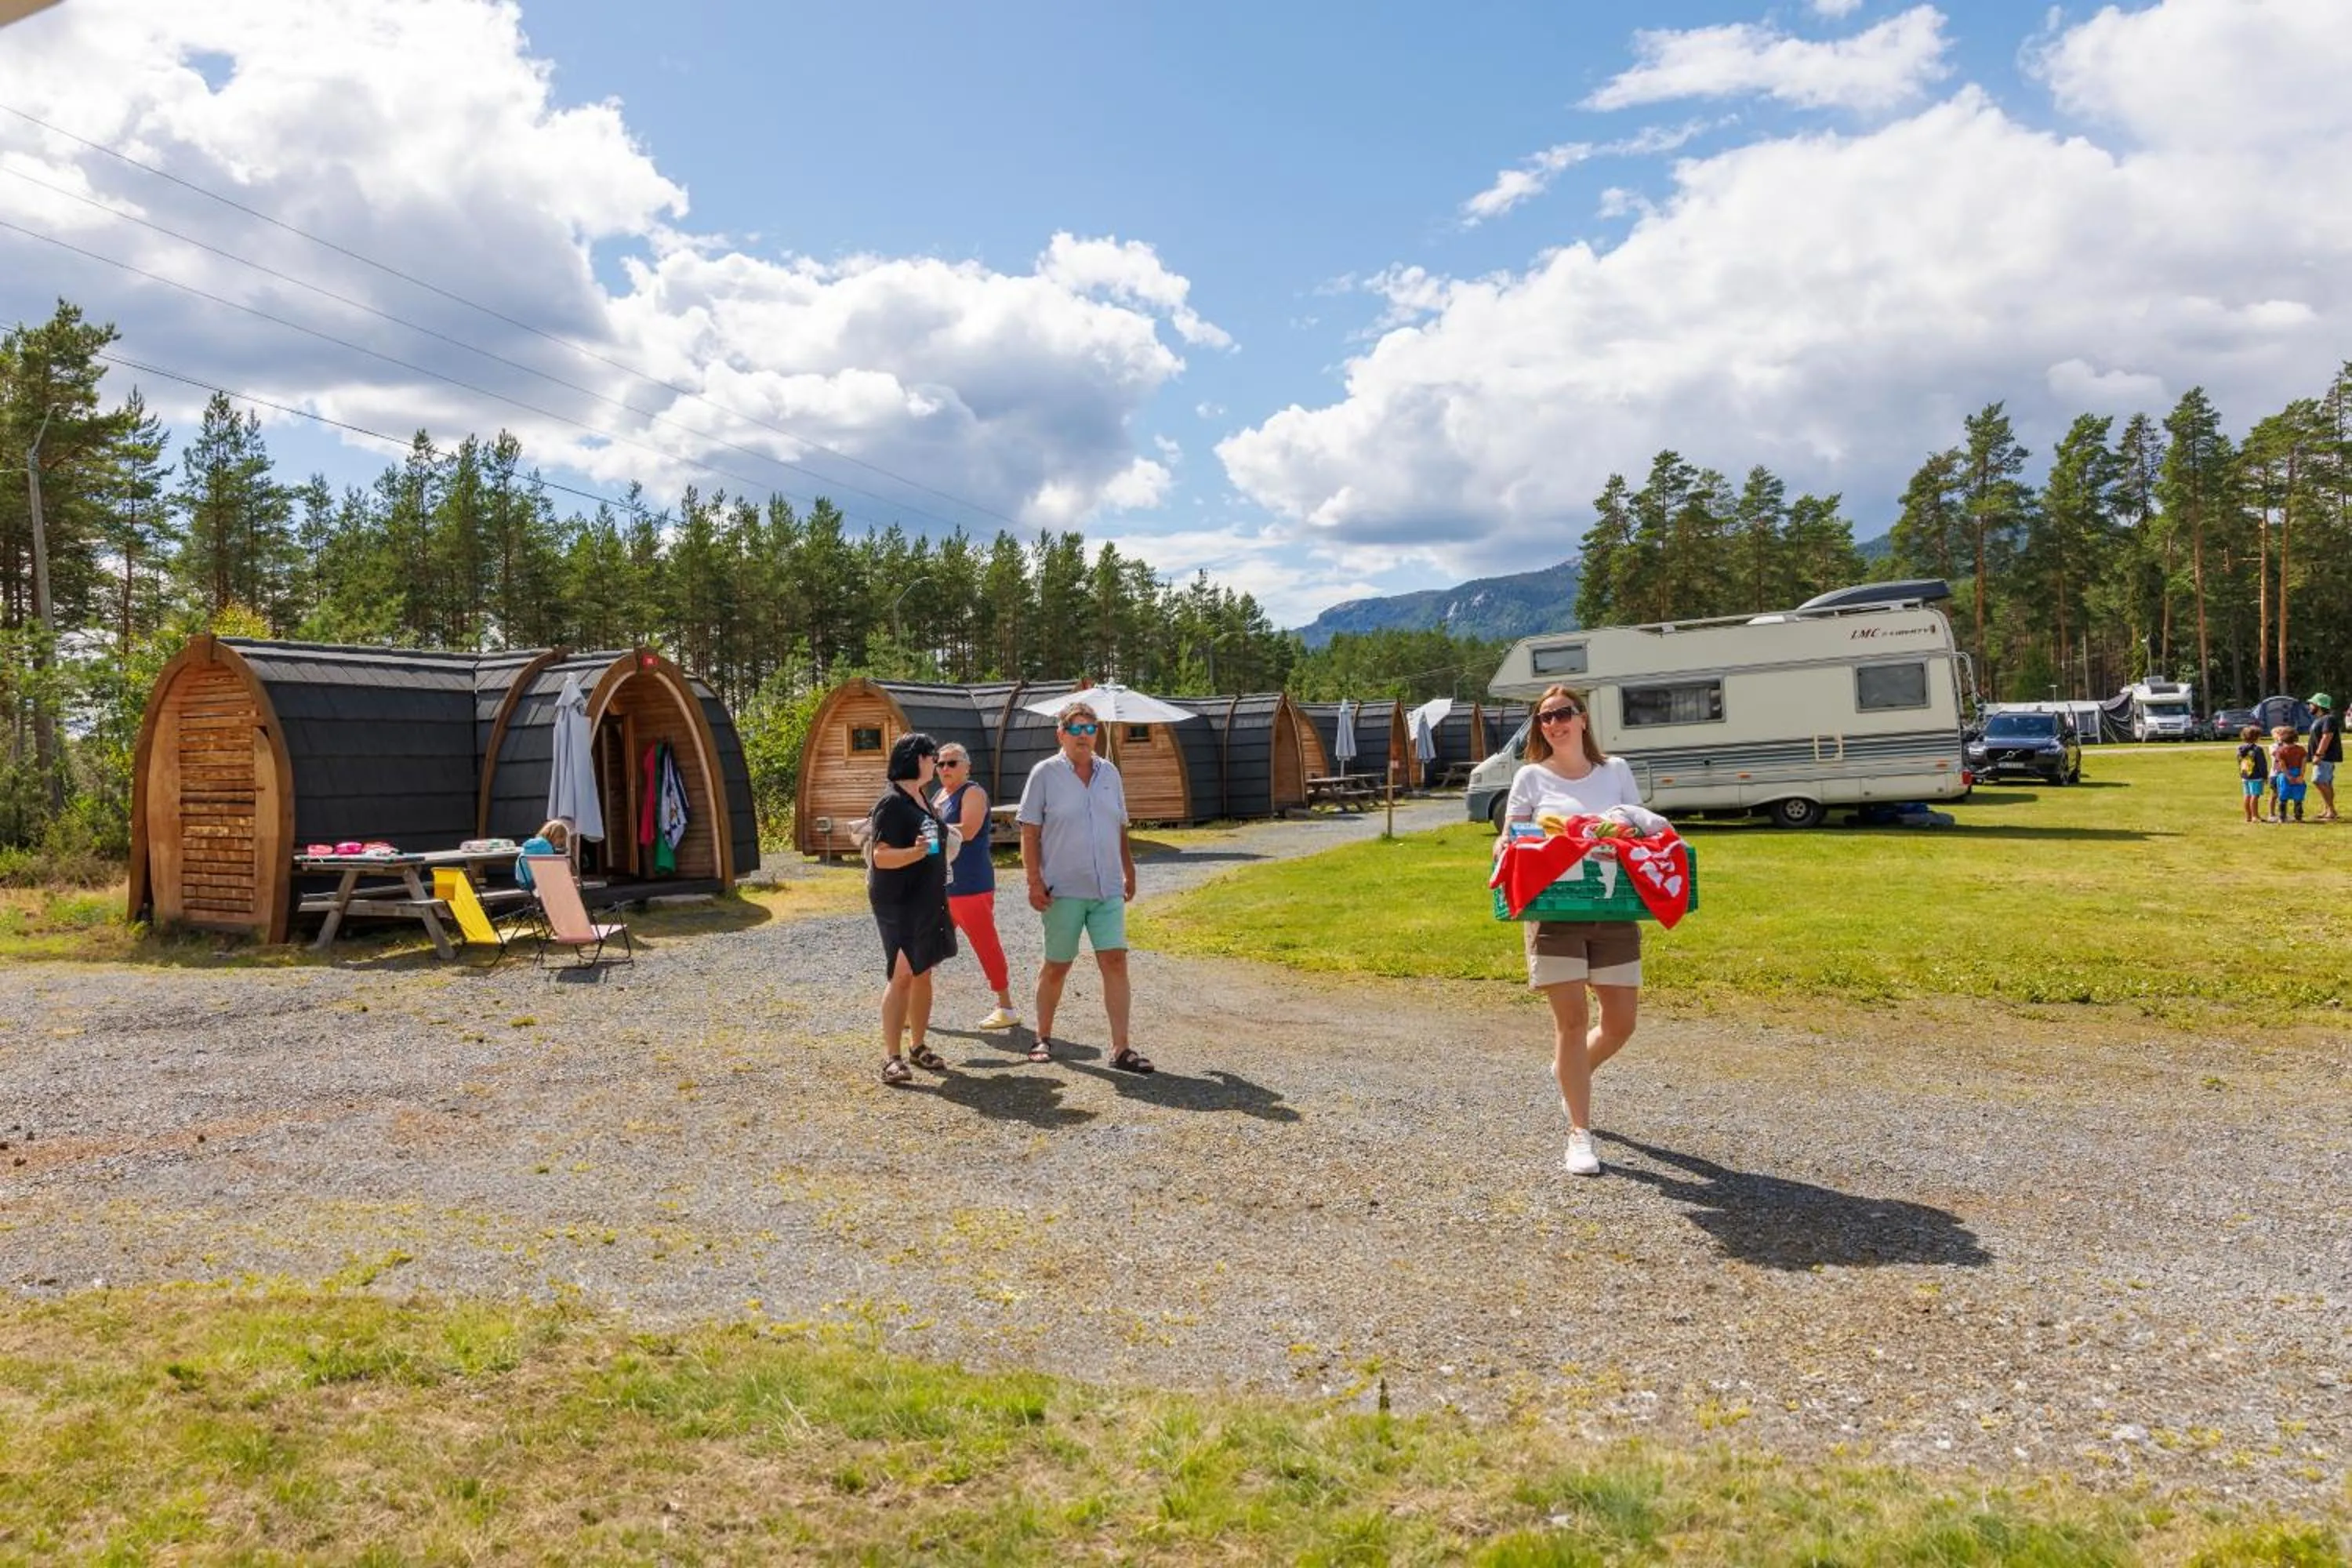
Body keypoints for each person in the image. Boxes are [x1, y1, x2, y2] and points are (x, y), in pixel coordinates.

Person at [1494, 684, 1664, 1178]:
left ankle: (1570, 1072)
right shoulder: (1529, 777)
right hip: (1554, 913)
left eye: (1563, 714)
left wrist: (1624, 832)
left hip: (1612, 909)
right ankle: (1579, 1135)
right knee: (1571, 1022)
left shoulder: (1616, 771)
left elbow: (1636, 824)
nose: (1554, 724)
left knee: (1620, 1023)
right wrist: (1506, 848)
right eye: (1544, 718)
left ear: (1583, 719)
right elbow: (1510, 837)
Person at [1018, 698, 1152, 1073]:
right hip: (1063, 888)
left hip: (1106, 885)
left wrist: (1129, 870)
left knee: (1115, 961)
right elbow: (1030, 830)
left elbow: (1119, 826)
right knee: (1058, 965)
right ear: (1060, 734)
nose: (1084, 736)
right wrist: (1033, 881)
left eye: (1090, 729)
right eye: (1075, 728)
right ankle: (1042, 1036)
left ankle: (1121, 1048)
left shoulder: (1110, 773)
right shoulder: (1044, 773)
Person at [869, 733, 957, 1085]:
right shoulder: (891, 803)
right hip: (898, 900)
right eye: (930, 756)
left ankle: (917, 1046)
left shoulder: (921, 797)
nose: (936, 762)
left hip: (927, 895)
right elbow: (881, 856)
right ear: (913, 758)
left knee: (924, 970)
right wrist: (916, 854)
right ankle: (891, 1058)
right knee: (903, 973)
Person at [933, 742, 1023, 1040]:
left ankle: (1005, 1006)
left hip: (970, 884)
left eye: (952, 763)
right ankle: (915, 1004)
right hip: (941, 884)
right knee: (928, 944)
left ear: (967, 766)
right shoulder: (939, 795)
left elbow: (968, 829)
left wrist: (925, 829)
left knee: (984, 942)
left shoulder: (972, 792)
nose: (945, 768)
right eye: (940, 763)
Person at [2305, 694, 2340, 822]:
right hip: (2323, 757)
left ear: (2318, 705)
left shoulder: (2328, 719)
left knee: (2318, 781)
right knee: (2326, 783)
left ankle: (2331, 811)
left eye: (2311, 703)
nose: (2309, 706)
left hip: (2325, 757)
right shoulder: (2320, 719)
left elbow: (2327, 737)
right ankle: (2327, 810)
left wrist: (2319, 754)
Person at [514, 818, 569, 889]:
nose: (562, 844)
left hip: (522, 881)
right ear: (555, 836)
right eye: (562, 841)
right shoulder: (547, 847)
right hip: (531, 883)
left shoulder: (537, 842)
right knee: (565, 883)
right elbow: (549, 869)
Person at [2270, 725, 2308, 824]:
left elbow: (2282, 765)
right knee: (2298, 797)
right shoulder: (2301, 750)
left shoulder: (2280, 751)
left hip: (2285, 776)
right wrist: (2301, 776)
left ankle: (2282, 818)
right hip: (2298, 774)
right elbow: (2303, 764)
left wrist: (2288, 776)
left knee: (2283, 797)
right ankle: (2298, 817)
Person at [2237, 725, 2270, 823]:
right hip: (2256, 776)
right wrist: (2265, 776)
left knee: (2247, 795)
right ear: (2256, 737)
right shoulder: (2257, 749)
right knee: (2255, 796)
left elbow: (2239, 762)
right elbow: (2262, 764)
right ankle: (2255, 816)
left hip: (2245, 775)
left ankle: (2248, 816)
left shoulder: (2240, 749)